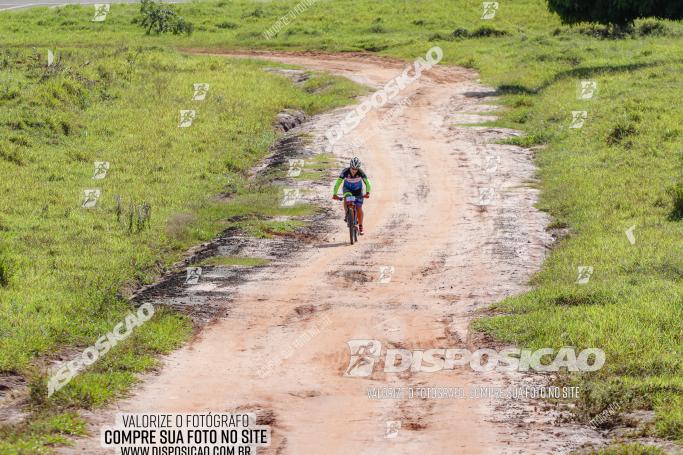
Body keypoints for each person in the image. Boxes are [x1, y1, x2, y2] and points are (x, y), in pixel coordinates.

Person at [332, 157, 371, 235]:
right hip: (348, 190)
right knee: (347, 199)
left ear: (358, 169)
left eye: (356, 169)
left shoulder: (361, 172)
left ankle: (360, 226)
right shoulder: (345, 172)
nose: (354, 171)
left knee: (359, 208)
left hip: (358, 191)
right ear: (350, 166)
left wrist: (367, 193)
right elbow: (338, 183)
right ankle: (348, 214)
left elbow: (368, 183)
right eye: (353, 168)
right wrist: (334, 194)